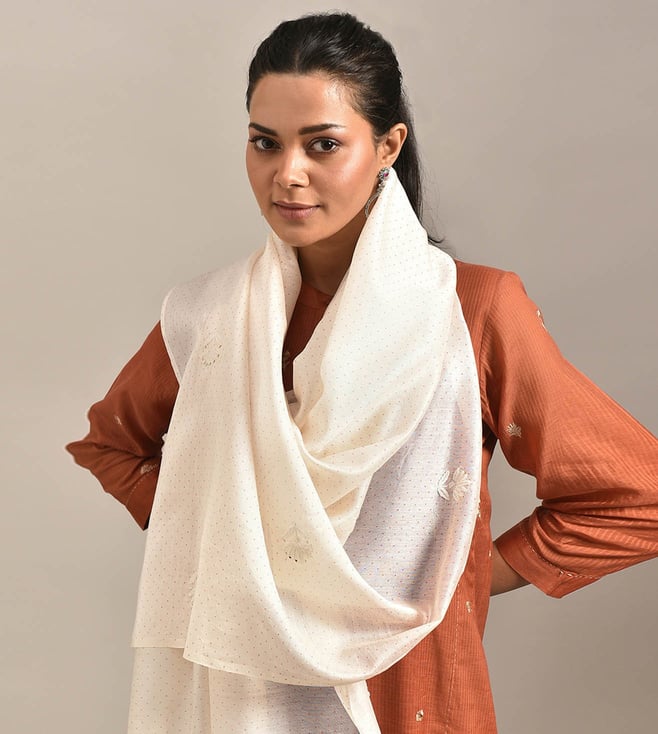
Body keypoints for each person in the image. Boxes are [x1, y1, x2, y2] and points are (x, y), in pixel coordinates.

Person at [66, 12, 658, 734]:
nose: (288, 173)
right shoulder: (213, 318)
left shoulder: (468, 311)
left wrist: (465, 573)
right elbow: (113, 443)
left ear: (387, 146)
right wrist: (233, 543)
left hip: (413, 687)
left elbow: (637, 494)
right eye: (265, 142)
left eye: (323, 144)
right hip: (247, 689)